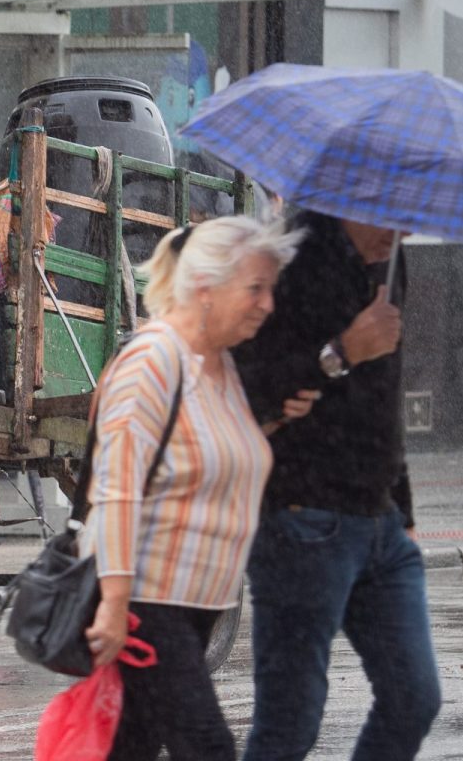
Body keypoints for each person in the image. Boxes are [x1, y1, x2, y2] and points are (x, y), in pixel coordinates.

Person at [82, 217, 310, 760]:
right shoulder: (154, 359)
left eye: (270, 289)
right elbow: (116, 488)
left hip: (197, 598)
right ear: (205, 287)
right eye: (255, 288)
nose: (267, 304)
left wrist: (275, 421)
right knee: (207, 747)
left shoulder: (220, 365)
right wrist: (114, 603)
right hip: (145, 594)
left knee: (132, 746)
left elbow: (209, 455)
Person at [233, 213, 439, 761]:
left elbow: (385, 394)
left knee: (413, 698)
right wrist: (342, 350)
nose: (407, 231)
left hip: (381, 523)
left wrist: (404, 508)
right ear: (357, 195)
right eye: (396, 214)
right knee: (290, 725)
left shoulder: (389, 262)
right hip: (302, 518)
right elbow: (247, 383)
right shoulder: (292, 257)